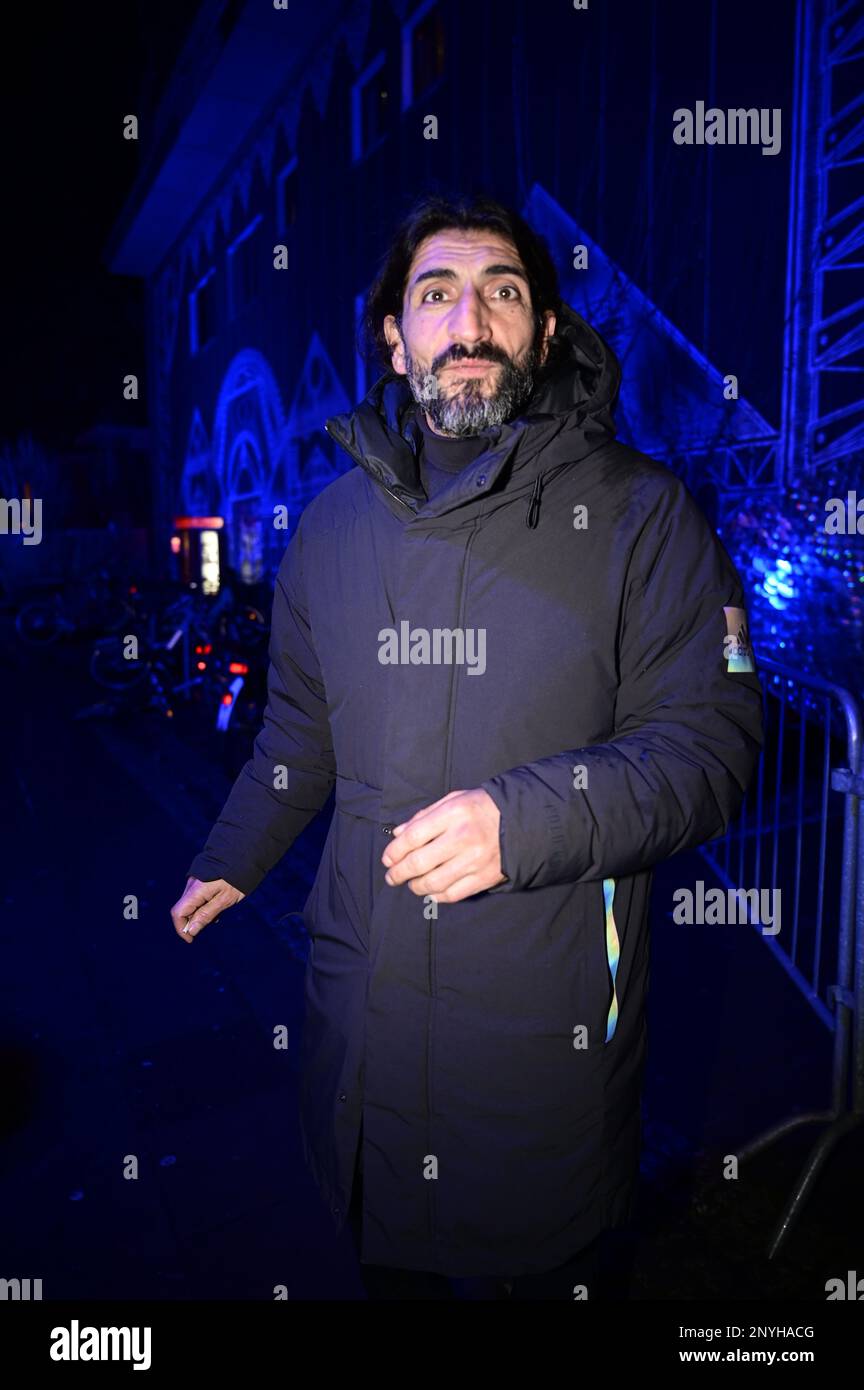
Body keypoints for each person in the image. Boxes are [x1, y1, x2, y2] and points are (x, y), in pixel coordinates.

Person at [171, 193, 764, 1300]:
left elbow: (712, 743)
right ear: (393, 336)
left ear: (542, 334)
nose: (470, 318)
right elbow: (300, 734)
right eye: (436, 293)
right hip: (360, 1060)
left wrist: (525, 820)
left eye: (504, 291)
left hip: (537, 1079)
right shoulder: (331, 530)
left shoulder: (645, 517)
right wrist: (234, 851)